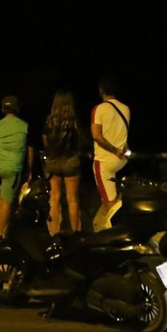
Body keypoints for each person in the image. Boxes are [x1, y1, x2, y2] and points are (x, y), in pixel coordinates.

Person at [0, 95, 33, 241]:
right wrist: (29, 170)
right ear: (17, 109)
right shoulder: (24, 126)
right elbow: (29, 149)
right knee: (8, 200)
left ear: (3, 109)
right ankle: (0, 234)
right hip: (12, 169)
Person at [43, 90, 85, 235]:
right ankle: (75, 232)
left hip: (53, 161)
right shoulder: (75, 122)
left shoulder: (49, 121)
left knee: (54, 199)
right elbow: (81, 142)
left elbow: (45, 142)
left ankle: (53, 233)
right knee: (72, 199)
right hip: (71, 161)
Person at [90, 77, 131, 209]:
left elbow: (96, 136)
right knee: (113, 195)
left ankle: (116, 226)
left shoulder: (99, 109)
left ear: (101, 90)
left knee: (109, 203)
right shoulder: (126, 109)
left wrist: (114, 150)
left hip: (105, 160)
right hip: (122, 159)